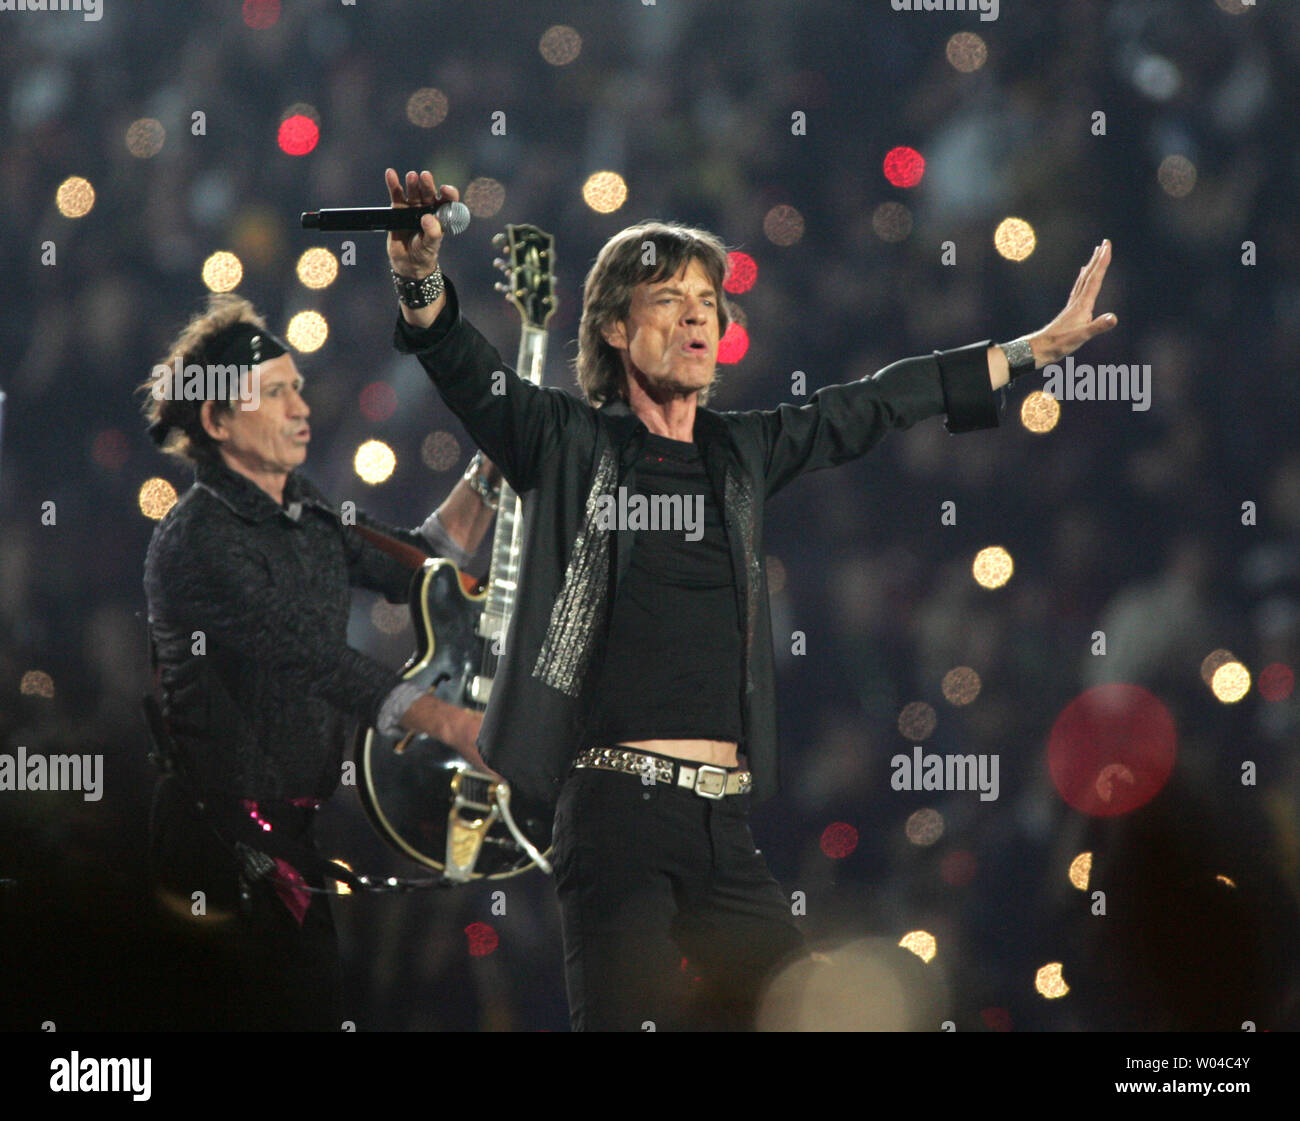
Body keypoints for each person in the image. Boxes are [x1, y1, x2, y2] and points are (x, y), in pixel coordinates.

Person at [385, 167, 1117, 1030]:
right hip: (618, 816)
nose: (698, 314)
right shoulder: (564, 440)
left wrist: (1029, 350)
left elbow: (875, 403)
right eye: (668, 298)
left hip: (720, 823)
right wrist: (420, 274)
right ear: (616, 328)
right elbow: (465, 366)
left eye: (707, 298)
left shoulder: (743, 452)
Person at [140, 293, 498, 1030]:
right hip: (215, 854)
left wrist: (497, 463)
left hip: (292, 846)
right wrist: (452, 724)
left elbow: (421, 566)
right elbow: (312, 659)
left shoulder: (302, 506)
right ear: (216, 420)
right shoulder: (197, 540)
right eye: (275, 393)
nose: (302, 405)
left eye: (296, 385)